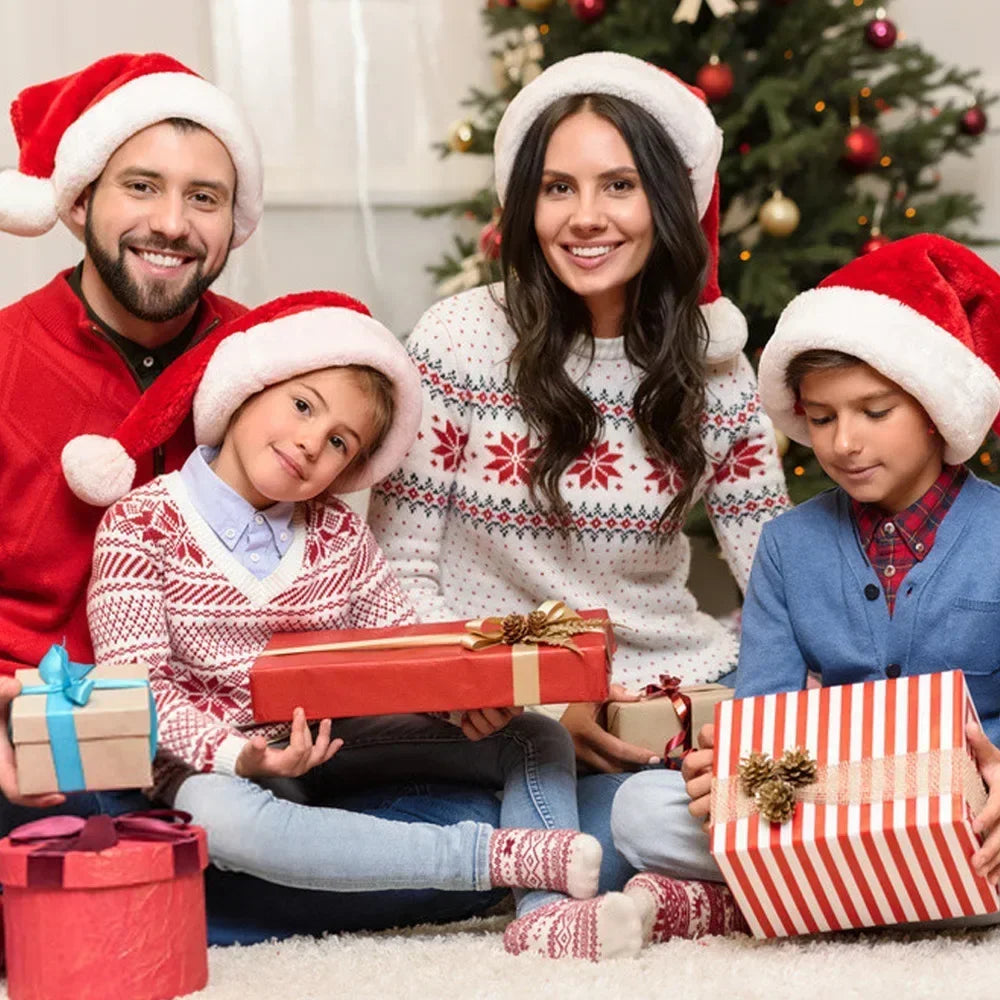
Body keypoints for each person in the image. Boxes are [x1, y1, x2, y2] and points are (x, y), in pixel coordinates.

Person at [0, 52, 503, 942]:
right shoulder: (7, 357)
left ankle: (180, 891)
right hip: (51, 736)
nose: (171, 223)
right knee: (67, 839)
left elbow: (358, 596)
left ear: (236, 224)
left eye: (205, 198)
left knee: (471, 779)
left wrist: (465, 684)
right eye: (142, 186)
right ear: (80, 201)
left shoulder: (277, 361)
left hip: (249, 736)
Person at [69, 291, 644, 961]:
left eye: (341, 441)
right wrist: (240, 754)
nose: (313, 441)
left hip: (335, 745)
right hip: (214, 768)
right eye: (303, 405)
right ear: (247, 390)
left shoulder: (338, 532)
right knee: (219, 822)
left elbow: (398, 651)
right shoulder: (141, 523)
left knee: (535, 735)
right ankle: (499, 858)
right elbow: (137, 688)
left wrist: (460, 703)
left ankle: (546, 916)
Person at [369, 51, 788, 895]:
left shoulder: (716, 369)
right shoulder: (458, 341)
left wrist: (737, 718)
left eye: (619, 186)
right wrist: (531, 704)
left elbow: (780, 571)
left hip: (663, 694)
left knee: (653, 814)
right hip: (493, 701)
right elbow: (399, 569)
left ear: (665, 201)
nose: (586, 217)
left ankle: (602, 852)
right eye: (558, 188)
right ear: (525, 204)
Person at [611, 233, 1000, 939]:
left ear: (936, 405)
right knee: (640, 810)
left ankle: (802, 899)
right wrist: (724, 774)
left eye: (872, 412)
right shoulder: (789, 546)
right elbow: (766, 710)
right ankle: (883, 895)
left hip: (972, 806)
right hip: (823, 800)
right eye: (821, 419)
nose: (842, 443)